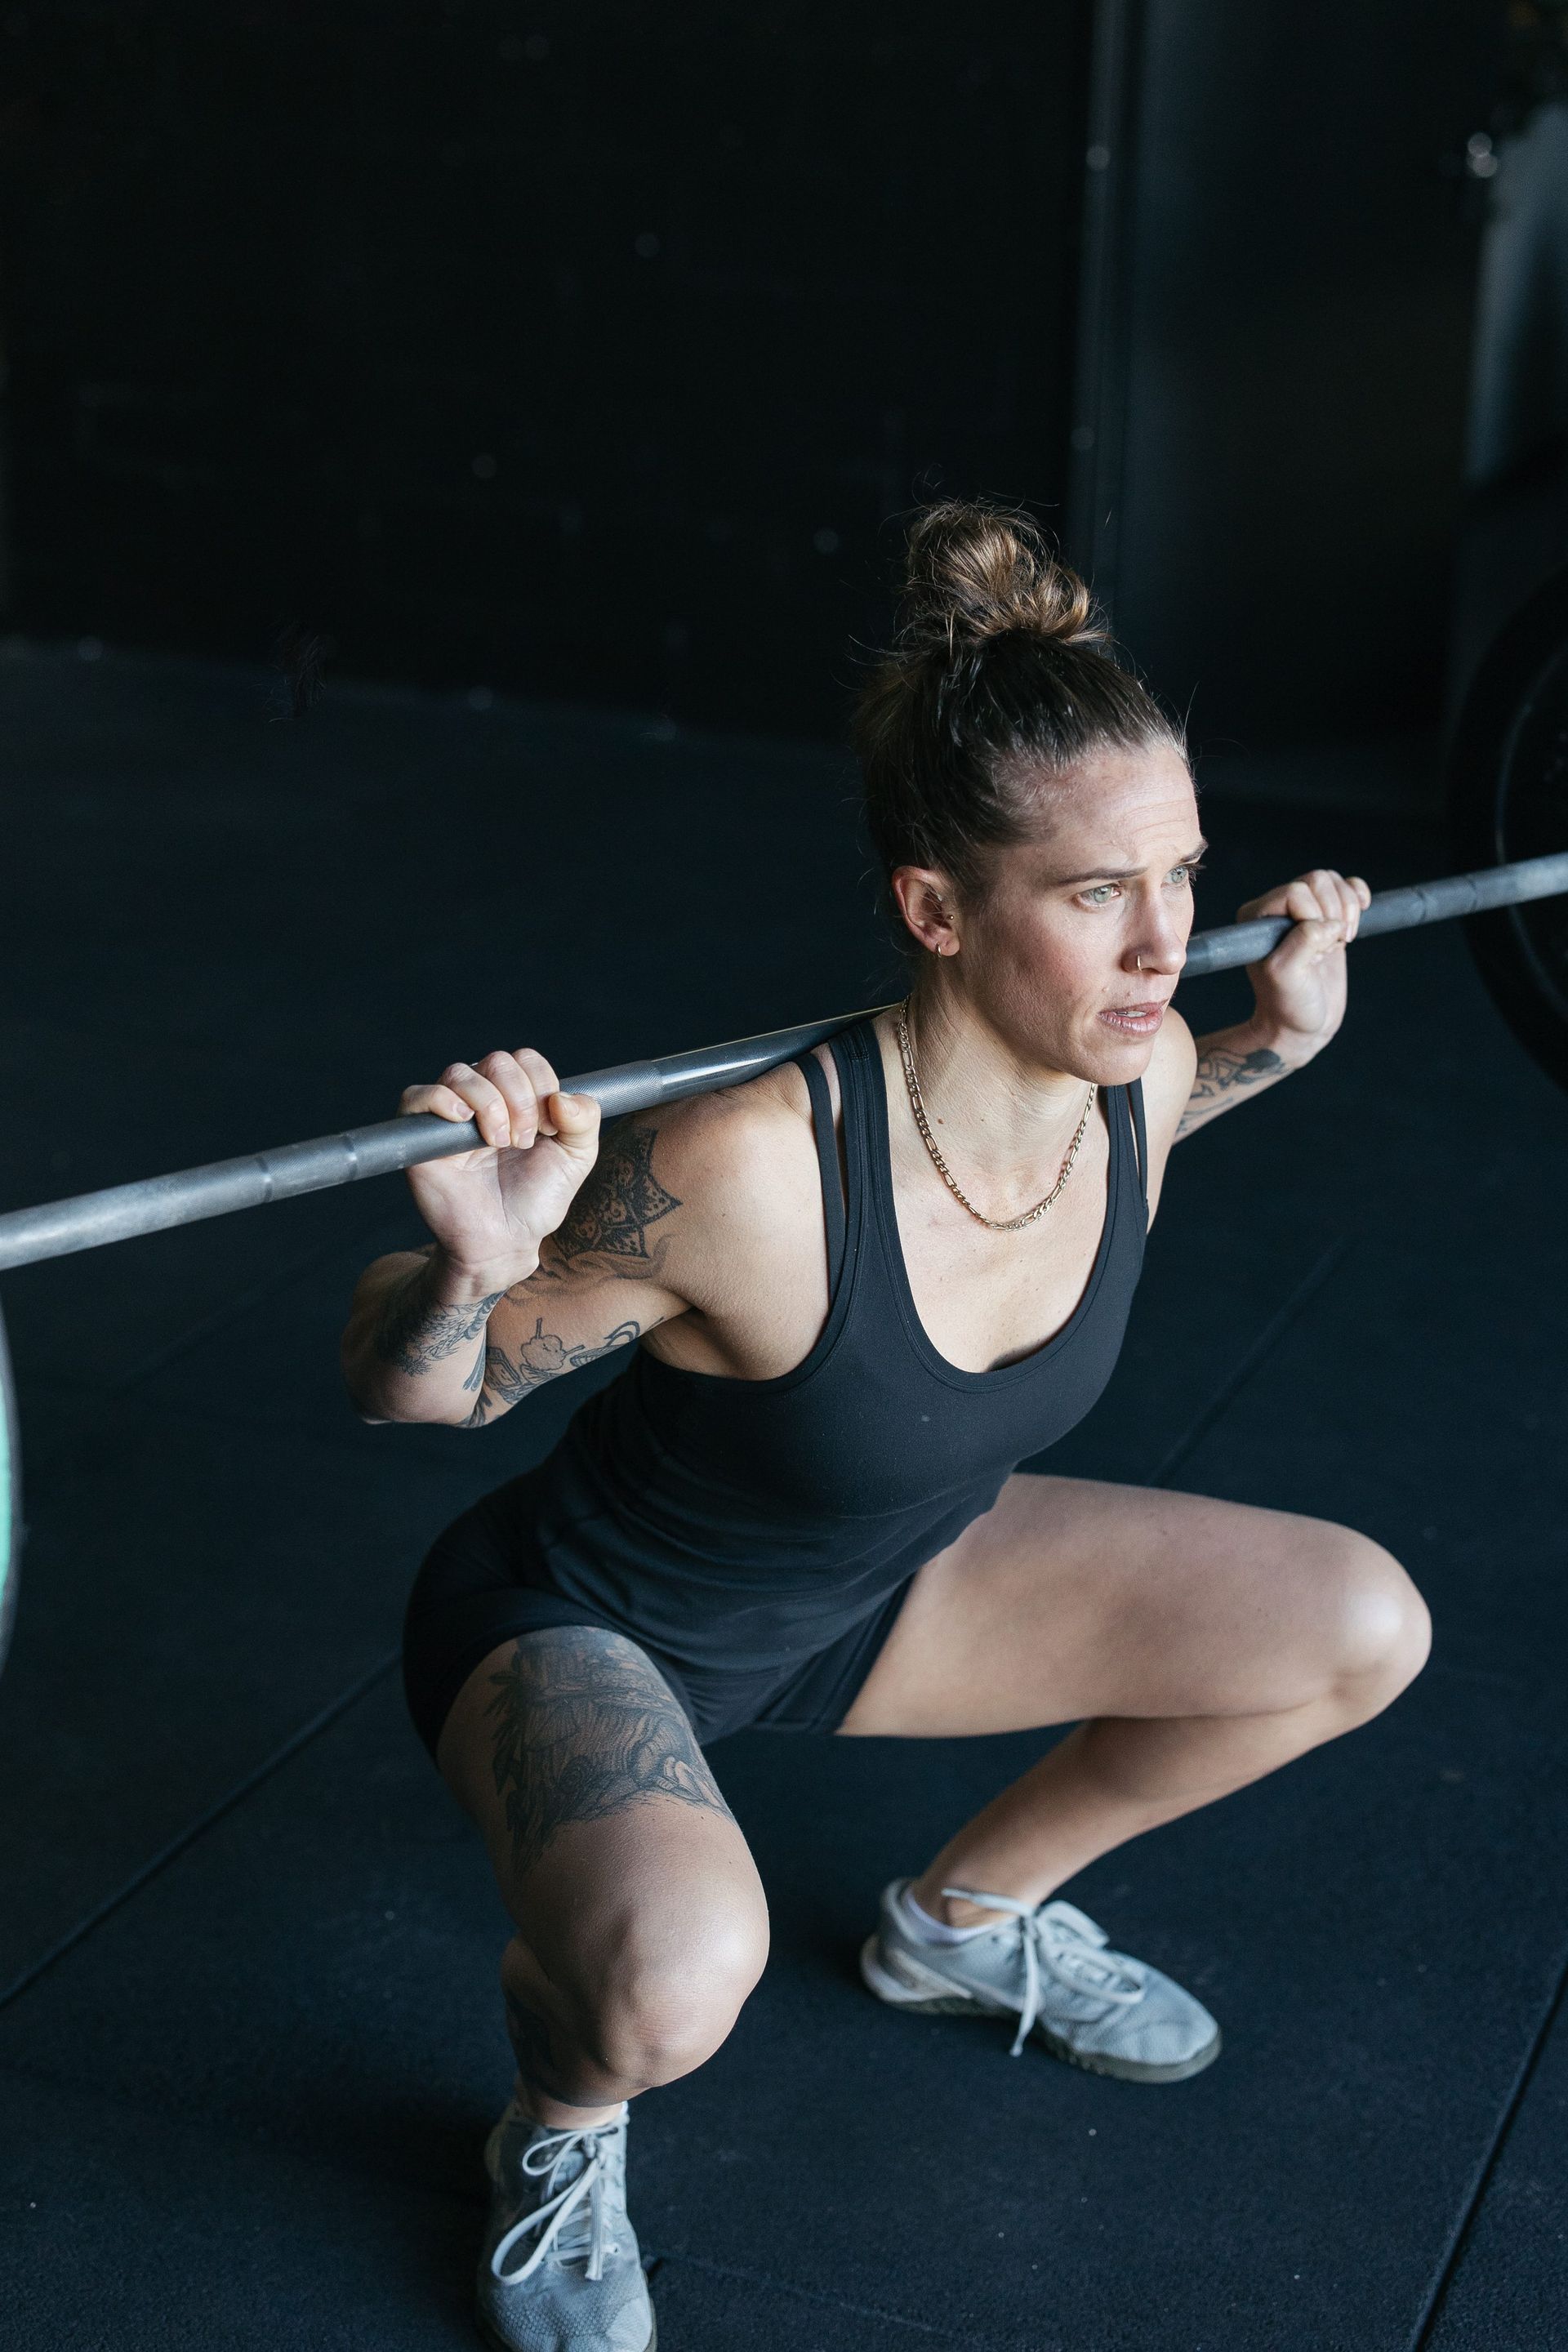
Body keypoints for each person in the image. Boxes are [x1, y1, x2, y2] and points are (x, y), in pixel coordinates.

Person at [340, 502, 1428, 2352]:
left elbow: (1174, 1095)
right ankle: (559, 2127)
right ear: (937, 908)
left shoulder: (1141, 1066)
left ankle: (960, 1921)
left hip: (887, 1578)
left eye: (1184, 872)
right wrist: (472, 1262)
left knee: (1354, 1628)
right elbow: (424, 1387)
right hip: (597, 1624)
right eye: (1097, 893)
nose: (1167, 940)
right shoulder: (749, 1170)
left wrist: (1281, 1043)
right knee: (674, 1985)